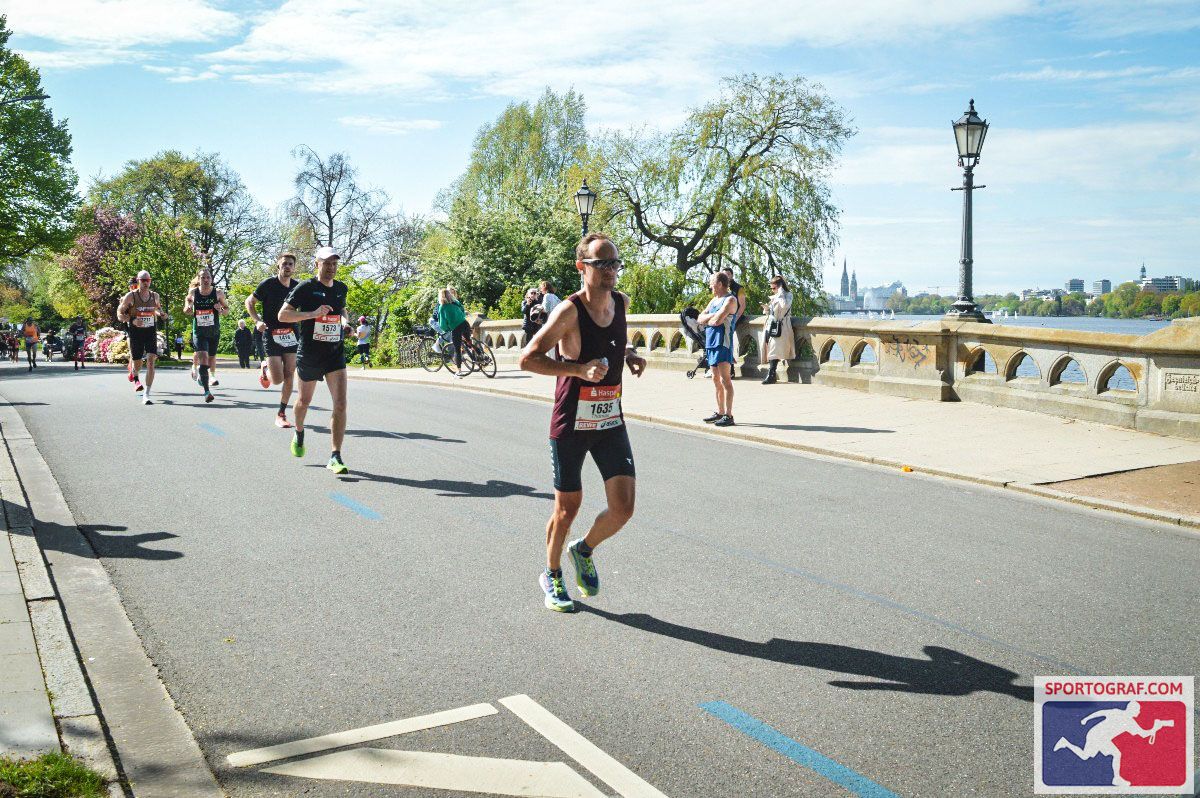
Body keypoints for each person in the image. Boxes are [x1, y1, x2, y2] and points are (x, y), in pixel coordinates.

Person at [518, 232, 646, 613]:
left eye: (615, 263)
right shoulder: (569, 312)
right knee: (567, 509)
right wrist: (577, 369)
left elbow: (613, 340)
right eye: (602, 264)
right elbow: (528, 358)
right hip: (571, 423)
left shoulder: (621, 303)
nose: (611, 271)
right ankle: (552, 574)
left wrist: (629, 352)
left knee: (623, 507)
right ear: (582, 267)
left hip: (609, 421)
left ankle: (584, 549)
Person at [278, 246, 351, 474]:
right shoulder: (305, 288)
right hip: (310, 353)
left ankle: (335, 456)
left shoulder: (340, 288)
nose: (331, 267)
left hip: (334, 353)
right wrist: (312, 314)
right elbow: (283, 315)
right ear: (317, 264)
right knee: (304, 401)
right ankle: (299, 432)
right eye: (326, 263)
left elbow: (342, 311)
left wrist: (345, 324)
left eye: (334, 263)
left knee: (340, 404)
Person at [247, 253, 300, 428]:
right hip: (271, 333)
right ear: (278, 266)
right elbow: (250, 302)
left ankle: (281, 412)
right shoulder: (268, 284)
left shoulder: (297, 287)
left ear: (294, 267)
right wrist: (257, 321)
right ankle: (265, 369)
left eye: (290, 264)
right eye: (284, 264)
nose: (287, 267)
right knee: (277, 379)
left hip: (291, 334)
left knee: (290, 373)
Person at [116, 271, 166, 405]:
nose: (145, 282)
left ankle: (147, 394)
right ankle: (134, 372)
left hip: (150, 332)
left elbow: (157, 309)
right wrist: (132, 320)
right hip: (136, 333)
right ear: (138, 281)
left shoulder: (155, 296)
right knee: (138, 363)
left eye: (147, 280)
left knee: (150, 361)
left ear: (150, 281)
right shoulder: (130, 296)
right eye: (143, 280)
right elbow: (119, 314)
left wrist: (161, 314)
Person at [184, 267, 229, 403]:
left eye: (208, 277)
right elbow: (186, 309)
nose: (205, 280)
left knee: (211, 358)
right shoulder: (193, 292)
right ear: (199, 279)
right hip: (199, 331)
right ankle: (206, 392)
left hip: (213, 331)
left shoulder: (218, 293)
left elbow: (226, 311)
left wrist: (220, 309)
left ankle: (204, 375)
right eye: (203, 277)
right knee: (203, 358)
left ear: (211, 279)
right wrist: (188, 307)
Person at [698, 271, 737, 426]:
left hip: (723, 343)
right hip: (711, 342)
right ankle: (720, 411)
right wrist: (711, 317)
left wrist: (710, 318)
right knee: (715, 379)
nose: (710, 286)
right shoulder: (714, 300)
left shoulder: (730, 300)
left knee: (725, 379)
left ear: (720, 284)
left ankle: (729, 415)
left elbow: (717, 321)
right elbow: (700, 319)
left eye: (712, 283)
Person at [760, 275, 795, 384]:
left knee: (774, 349)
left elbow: (784, 306)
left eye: (774, 288)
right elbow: (772, 311)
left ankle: (771, 374)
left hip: (781, 325)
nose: (772, 290)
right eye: (771, 288)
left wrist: (780, 293)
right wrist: (766, 309)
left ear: (780, 287)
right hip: (770, 324)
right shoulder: (775, 296)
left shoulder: (787, 295)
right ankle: (772, 374)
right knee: (769, 348)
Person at [437, 286, 471, 378]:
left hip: (456, 328)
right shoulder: (456, 303)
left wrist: (446, 329)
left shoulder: (442, 307)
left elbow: (442, 323)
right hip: (465, 323)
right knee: (469, 342)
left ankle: (459, 372)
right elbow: (462, 310)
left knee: (457, 349)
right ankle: (481, 357)